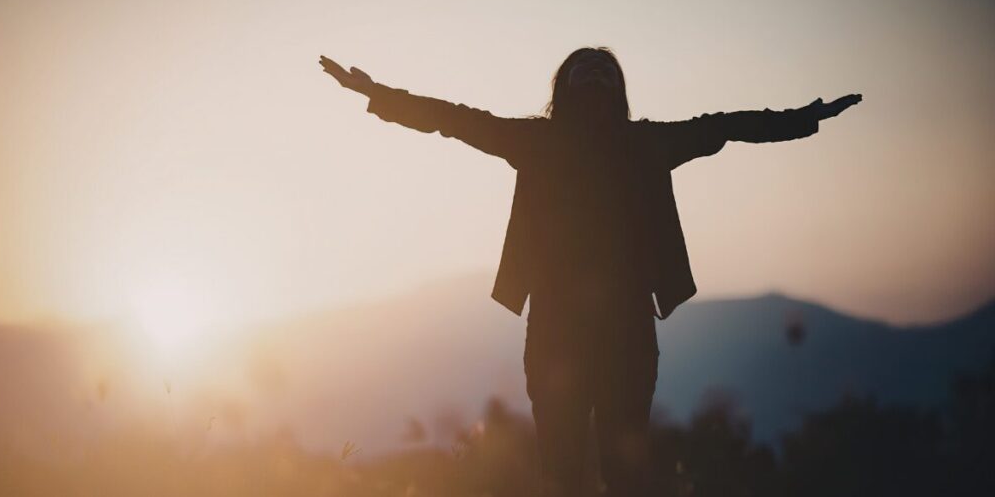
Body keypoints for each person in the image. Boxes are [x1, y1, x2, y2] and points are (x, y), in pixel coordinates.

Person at [319, 47, 861, 497]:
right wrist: (378, 96)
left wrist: (802, 119)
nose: (598, 80)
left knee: (618, 471)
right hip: (563, 332)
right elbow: (454, 121)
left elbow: (726, 127)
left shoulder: (643, 143)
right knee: (563, 470)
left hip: (616, 331)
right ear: (567, 88)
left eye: (606, 74)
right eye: (587, 72)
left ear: (615, 91)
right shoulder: (545, 141)